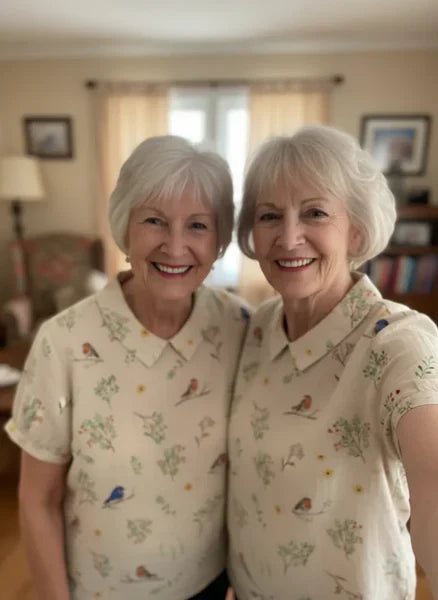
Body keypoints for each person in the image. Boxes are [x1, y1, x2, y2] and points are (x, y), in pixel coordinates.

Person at [5, 135, 250, 600]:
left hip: (211, 584)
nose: (175, 246)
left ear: (219, 240)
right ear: (124, 226)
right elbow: (38, 500)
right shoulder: (63, 342)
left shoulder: (241, 327)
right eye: (154, 221)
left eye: (198, 225)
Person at [227, 125, 438, 600]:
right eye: (269, 216)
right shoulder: (256, 328)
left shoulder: (398, 342)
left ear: (356, 230)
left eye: (315, 213)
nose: (288, 237)